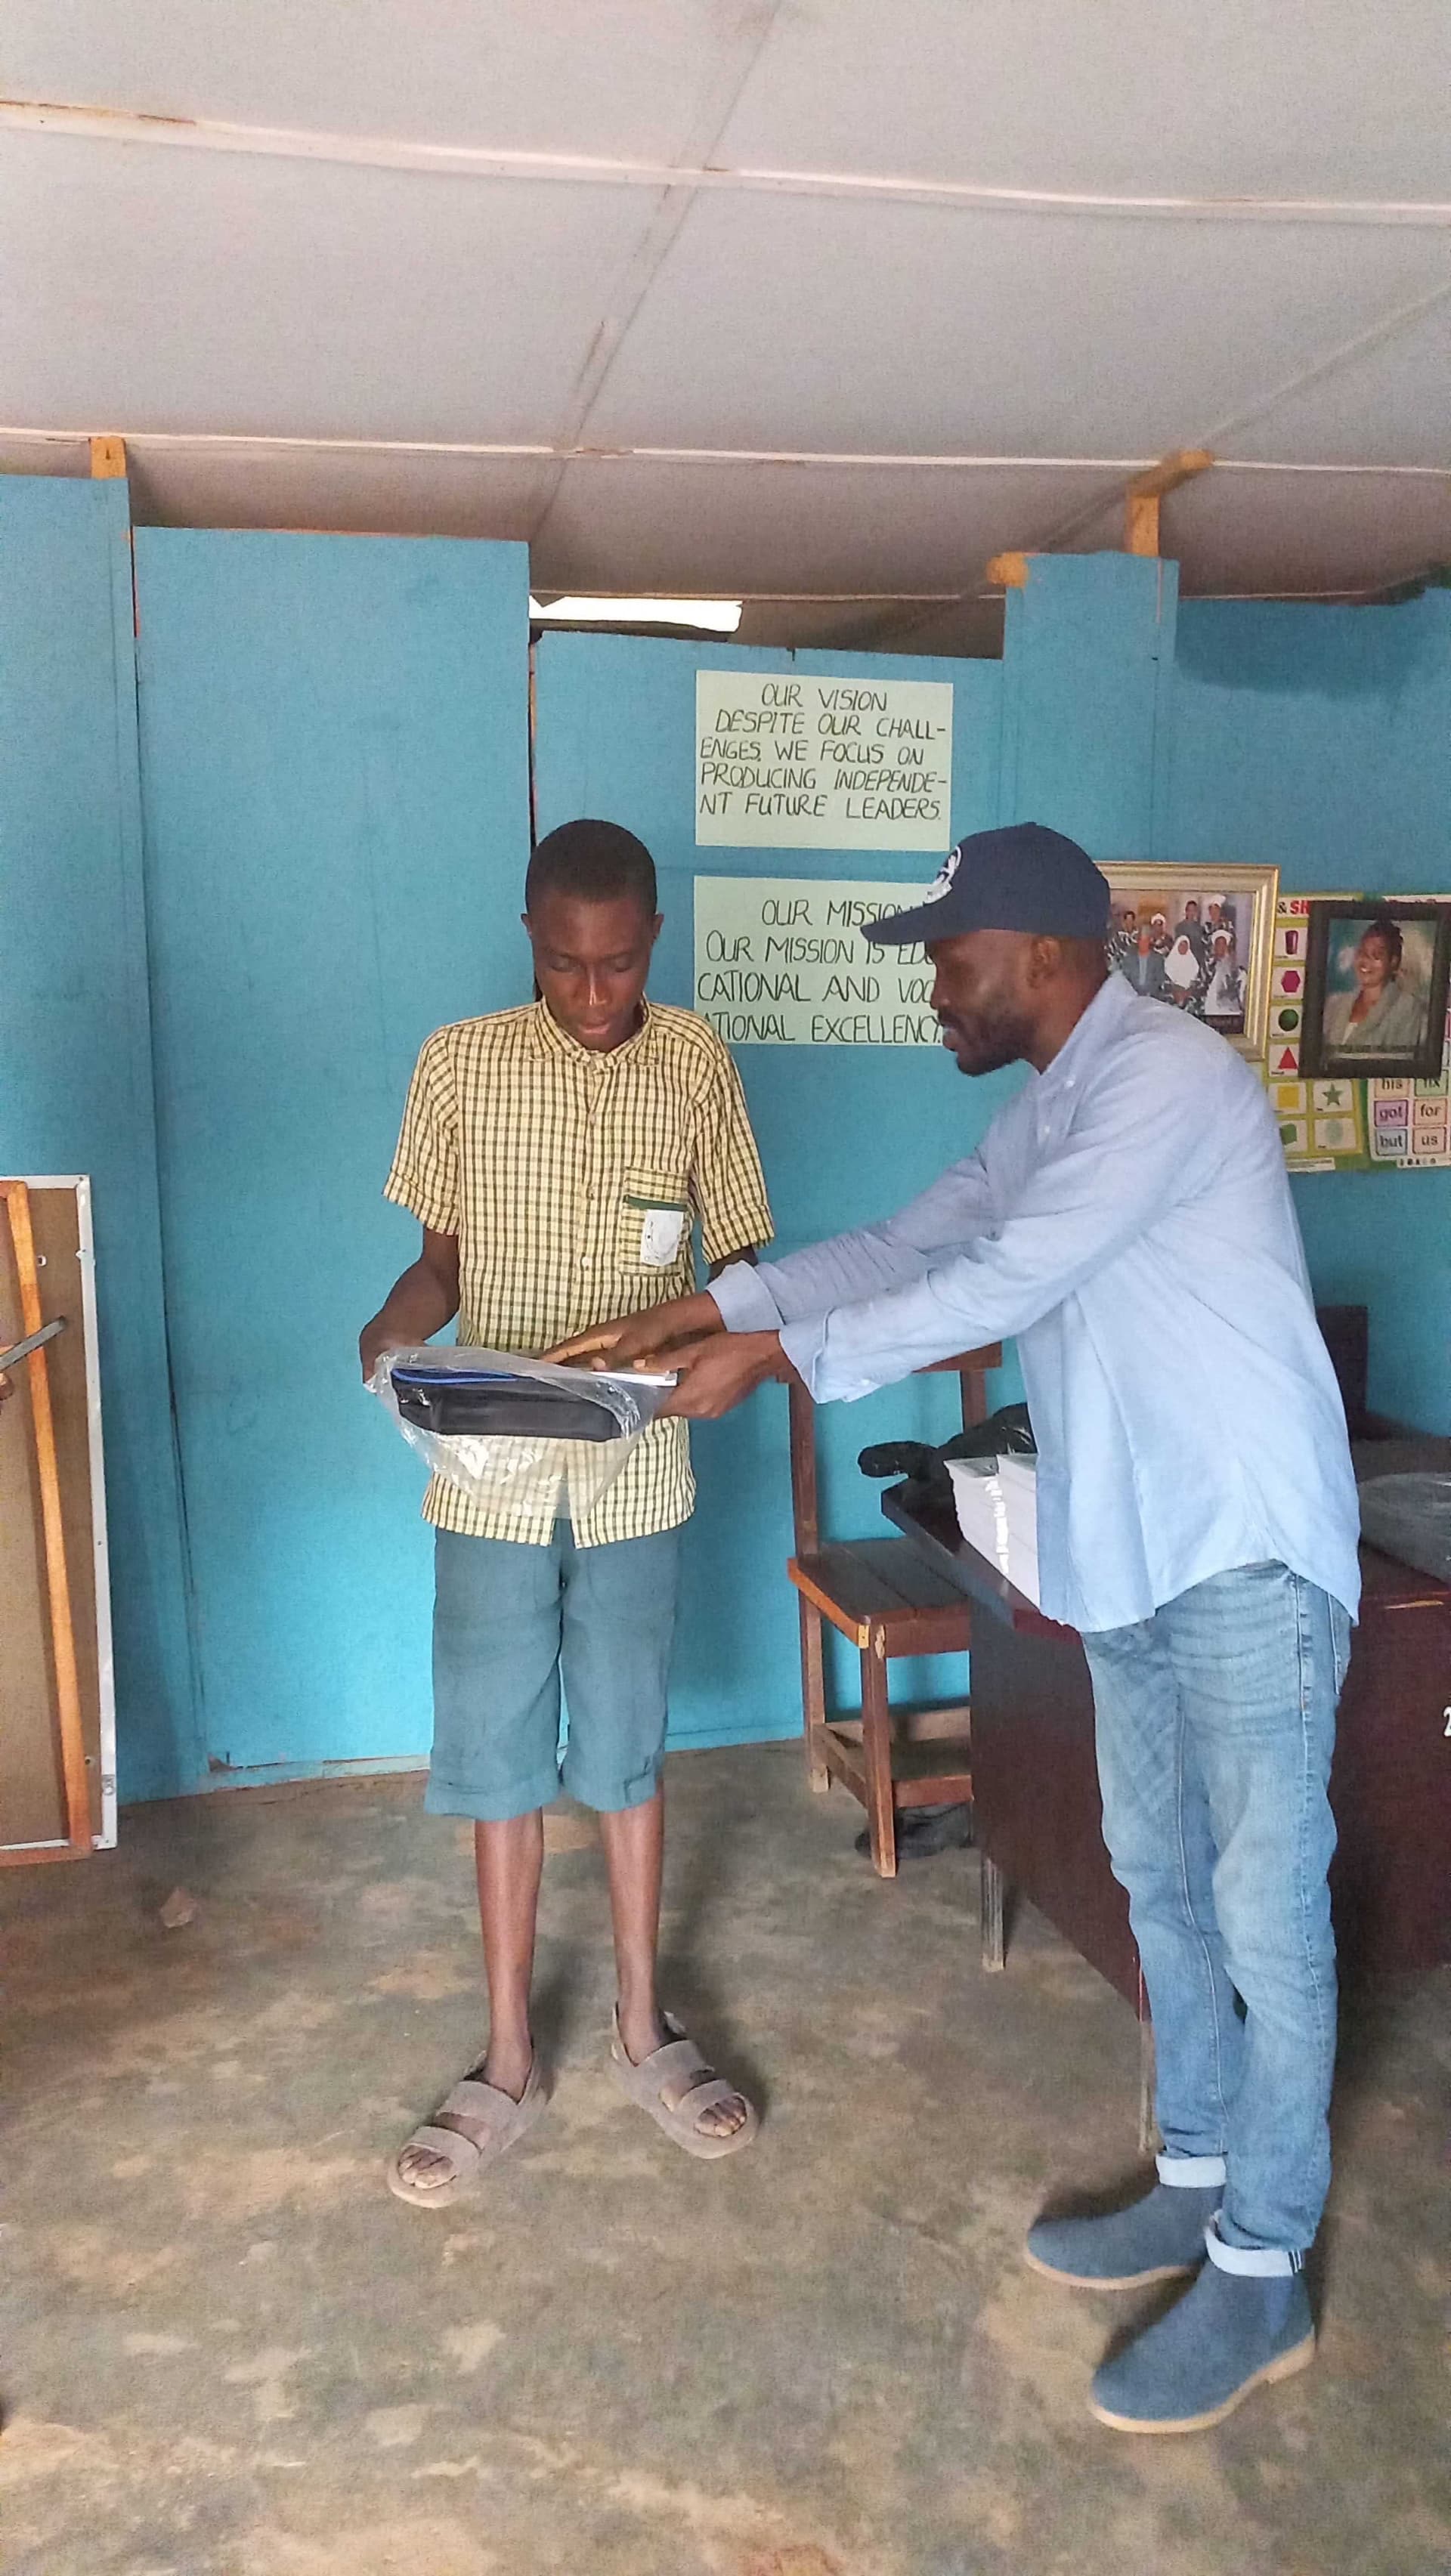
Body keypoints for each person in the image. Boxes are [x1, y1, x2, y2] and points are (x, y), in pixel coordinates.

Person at [562, 823, 1360, 2435]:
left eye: (950, 955)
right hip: (1128, 1550)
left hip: (1249, 1554)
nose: (935, 985)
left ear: (1045, 955)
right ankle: (1196, 2168)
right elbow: (914, 1240)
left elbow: (1003, 1279)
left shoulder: (1169, 1085)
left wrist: (780, 1365)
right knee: (1158, 1879)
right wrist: (706, 1310)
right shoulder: (1049, 1107)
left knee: (1265, 1911)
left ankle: (1266, 2263)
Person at [360, 818, 773, 2203]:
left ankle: (643, 2024)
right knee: (495, 1756)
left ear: (655, 936)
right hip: (487, 1478)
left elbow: (750, 1268)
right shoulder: (461, 1061)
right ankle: (506, 2054)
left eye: (614, 965)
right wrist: (388, 1333)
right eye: (562, 965)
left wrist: (733, 1354)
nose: (592, 996)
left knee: (629, 1744)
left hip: (639, 1468)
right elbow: (437, 1268)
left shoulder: (698, 1061)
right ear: (529, 939)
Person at [1322, 914, 1425, 1054]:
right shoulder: (1335, 1003)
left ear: (1393, 962)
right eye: (1362, 952)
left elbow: (1399, 1066)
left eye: (1376, 955)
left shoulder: (1409, 1009)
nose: (1365, 961)